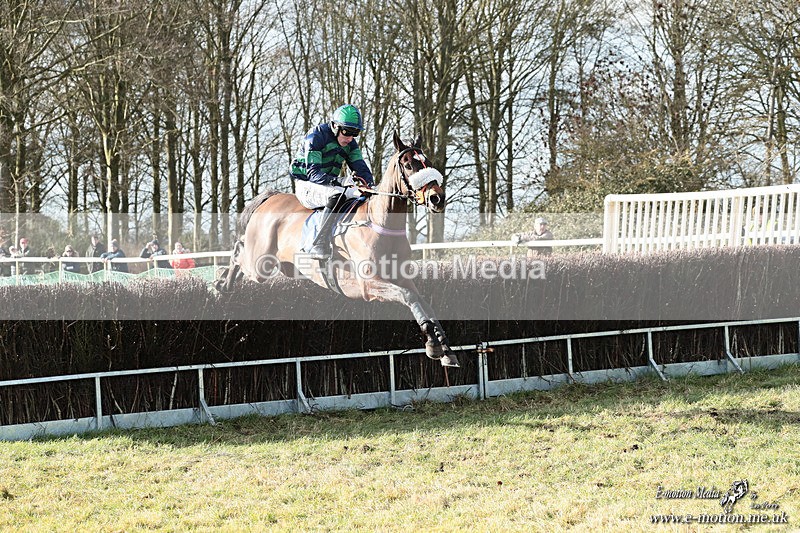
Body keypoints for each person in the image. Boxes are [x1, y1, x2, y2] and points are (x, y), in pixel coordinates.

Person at [289, 104, 375, 259]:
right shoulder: (316, 136)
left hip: (329, 184)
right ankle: (318, 243)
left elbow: (361, 168)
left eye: (355, 133)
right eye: (347, 132)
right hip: (307, 184)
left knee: (361, 195)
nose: (350, 138)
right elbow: (314, 174)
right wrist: (340, 181)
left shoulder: (351, 144)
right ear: (335, 126)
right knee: (337, 195)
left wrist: (371, 187)